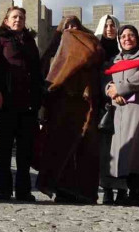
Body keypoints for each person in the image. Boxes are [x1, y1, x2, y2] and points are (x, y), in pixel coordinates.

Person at [36, 16, 103, 204]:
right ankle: (61, 189)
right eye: (67, 26)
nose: (72, 29)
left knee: (84, 147)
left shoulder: (91, 45)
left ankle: (84, 192)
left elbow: (92, 58)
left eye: (75, 25)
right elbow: (45, 75)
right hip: (60, 107)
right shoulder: (54, 52)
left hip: (83, 105)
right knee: (60, 146)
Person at [100, 25, 139, 207]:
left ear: (137, 37)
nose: (127, 39)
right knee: (128, 153)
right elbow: (108, 81)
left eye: (131, 35)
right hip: (121, 111)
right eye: (123, 36)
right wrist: (112, 92)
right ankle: (132, 193)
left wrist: (119, 89)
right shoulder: (116, 59)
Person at [0, 5, 44, 202]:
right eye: (14, 17)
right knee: (5, 146)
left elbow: (36, 70)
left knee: (26, 147)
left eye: (21, 17)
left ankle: (23, 190)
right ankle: (4, 189)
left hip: (28, 102)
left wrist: (38, 98)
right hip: (8, 100)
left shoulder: (29, 41)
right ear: (6, 20)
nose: (18, 20)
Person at [93, 13, 122, 204]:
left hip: (122, 103)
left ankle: (122, 189)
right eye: (106, 26)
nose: (109, 29)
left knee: (121, 148)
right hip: (102, 105)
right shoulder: (95, 51)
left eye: (112, 26)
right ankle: (107, 188)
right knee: (105, 150)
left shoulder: (124, 50)